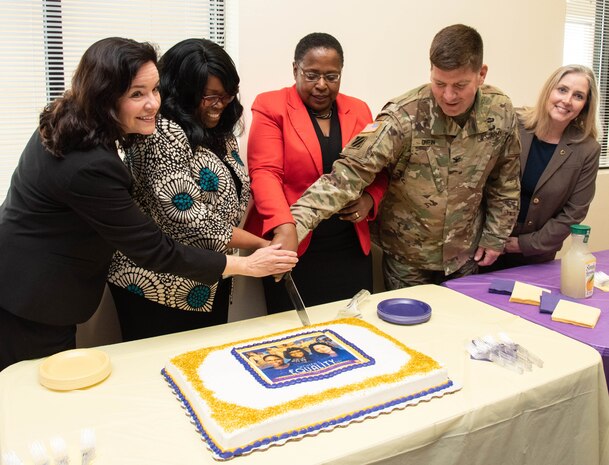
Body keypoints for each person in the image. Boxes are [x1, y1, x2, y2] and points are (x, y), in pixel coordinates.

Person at [0, 37, 297, 372]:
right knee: (33, 396)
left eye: (155, 90)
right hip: (32, 295)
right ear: (103, 96)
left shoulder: (72, 117)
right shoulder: (91, 163)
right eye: (137, 94)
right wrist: (248, 265)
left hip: (31, 282)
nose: (154, 103)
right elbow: (155, 250)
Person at [289, 24, 521, 289]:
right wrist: (294, 224)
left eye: (460, 85)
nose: (448, 95)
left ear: (481, 74)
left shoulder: (500, 110)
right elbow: (348, 174)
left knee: (462, 325)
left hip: (464, 254)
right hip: (407, 258)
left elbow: (506, 179)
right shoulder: (404, 115)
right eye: (439, 83)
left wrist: (495, 236)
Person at [107, 38, 270, 340]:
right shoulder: (160, 132)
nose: (220, 105)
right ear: (184, 91)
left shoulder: (219, 133)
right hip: (159, 286)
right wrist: (257, 244)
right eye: (210, 97)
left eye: (227, 95)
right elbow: (187, 216)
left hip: (210, 277)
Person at [244, 32, 388, 312]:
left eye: (331, 76)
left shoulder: (358, 109)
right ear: (295, 69)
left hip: (349, 246)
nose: (321, 85)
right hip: (292, 243)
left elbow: (378, 169)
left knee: (354, 327)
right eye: (311, 75)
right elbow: (264, 172)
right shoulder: (271, 106)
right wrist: (285, 228)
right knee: (292, 339)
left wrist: (370, 199)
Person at [489, 65, 600, 269]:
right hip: (485, 245)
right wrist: (492, 237)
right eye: (562, 89)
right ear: (549, 90)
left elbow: (573, 213)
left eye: (578, 96)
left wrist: (523, 244)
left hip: (536, 254)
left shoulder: (587, 149)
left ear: (585, 105)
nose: (566, 100)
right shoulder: (513, 122)